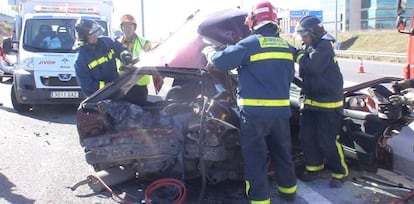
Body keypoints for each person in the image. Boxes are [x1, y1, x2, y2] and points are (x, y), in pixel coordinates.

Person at [203, 1, 297, 203]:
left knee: (256, 158)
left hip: (255, 115)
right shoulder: (287, 47)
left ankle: (260, 200)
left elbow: (221, 62)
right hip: (281, 114)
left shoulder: (250, 44)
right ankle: (289, 193)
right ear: (274, 22)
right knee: (282, 154)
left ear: (254, 21)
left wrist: (209, 51)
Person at [295, 15, 349, 188]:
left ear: (315, 33)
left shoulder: (324, 47)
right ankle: (314, 168)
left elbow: (313, 67)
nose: (303, 38)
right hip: (311, 103)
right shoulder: (311, 47)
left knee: (328, 141)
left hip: (328, 105)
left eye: (305, 35)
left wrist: (296, 54)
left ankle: (339, 173)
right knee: (307, 138)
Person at [74, 18, 133, 97]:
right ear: (84, 37)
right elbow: (88, 86)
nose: (96, 35)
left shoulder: (106, 42)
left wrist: (126, 56)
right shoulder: (80, 60)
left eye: (96, 32)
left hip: (116, 90)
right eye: (92, 33)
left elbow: (120, 48)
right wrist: (108, 86)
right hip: (100, 98)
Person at [118, 14, 152, 105]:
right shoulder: (117, 43)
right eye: (125, 26)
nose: (128, 28)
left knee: (140, 112)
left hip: (139, 84)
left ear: (134, 27)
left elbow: (151, 59)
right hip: (123, 83)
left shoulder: (145, 43)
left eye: (130, 26)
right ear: (121, 28)